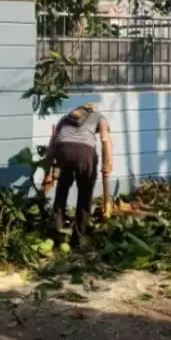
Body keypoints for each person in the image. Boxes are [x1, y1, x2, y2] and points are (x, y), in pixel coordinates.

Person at [42, 103, 113, 244]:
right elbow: (105, 140)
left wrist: (47, 174)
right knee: (84, 195)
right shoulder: (99, 116)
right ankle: (78, 238)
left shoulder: (64, 119)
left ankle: (58, 232)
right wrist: (107, 162)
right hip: (85, 153)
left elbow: (51, 149)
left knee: (62, 189)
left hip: (62, 151)